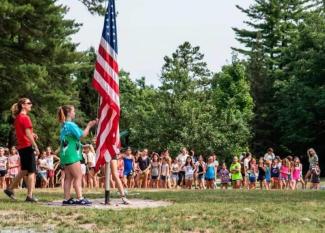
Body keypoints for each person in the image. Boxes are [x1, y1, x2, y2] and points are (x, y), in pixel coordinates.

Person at [57, 105, 97, 205]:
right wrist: (89, 126)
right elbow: (82, 135)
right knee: (78, 176)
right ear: (69, 113)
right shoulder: (71, 125)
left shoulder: (64, 125)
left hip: (66, 154)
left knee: (68, 177)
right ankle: (80, 198)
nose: (75, 113)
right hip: (72, 154)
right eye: (73, 111)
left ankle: (67, 199)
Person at [4, 98, 40, 202]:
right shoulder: (25, 117)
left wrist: (32, 135)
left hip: (22, 147)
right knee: (32, 171)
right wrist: (35, 145)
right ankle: (29, 196)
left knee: (24, 170)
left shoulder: (18, 118)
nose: (31, 105)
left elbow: (24, 133)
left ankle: (9, 188)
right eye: (29, 103)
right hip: (27, 146)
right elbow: (28, 133)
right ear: (23, 105)